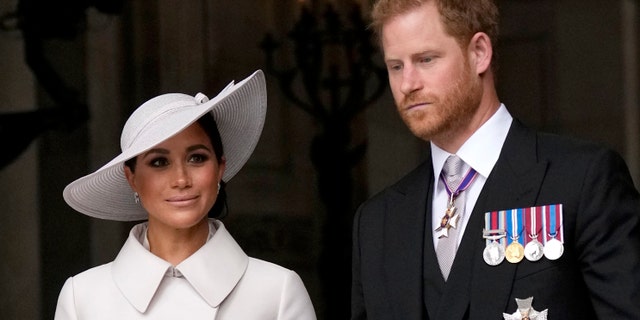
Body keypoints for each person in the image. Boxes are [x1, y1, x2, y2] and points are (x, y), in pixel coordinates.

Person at [351, 1, 640, 319]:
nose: (407, 84)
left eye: (426, 59)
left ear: (479, 53)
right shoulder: (377, 223)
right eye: (396, 66)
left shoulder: (583, 181)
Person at [54, 70, 317, 319]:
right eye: (159, 162)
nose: (181, 179)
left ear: (220, 167)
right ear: (131, 178)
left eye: (197, 158)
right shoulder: (83, 297)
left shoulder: (278, 291)